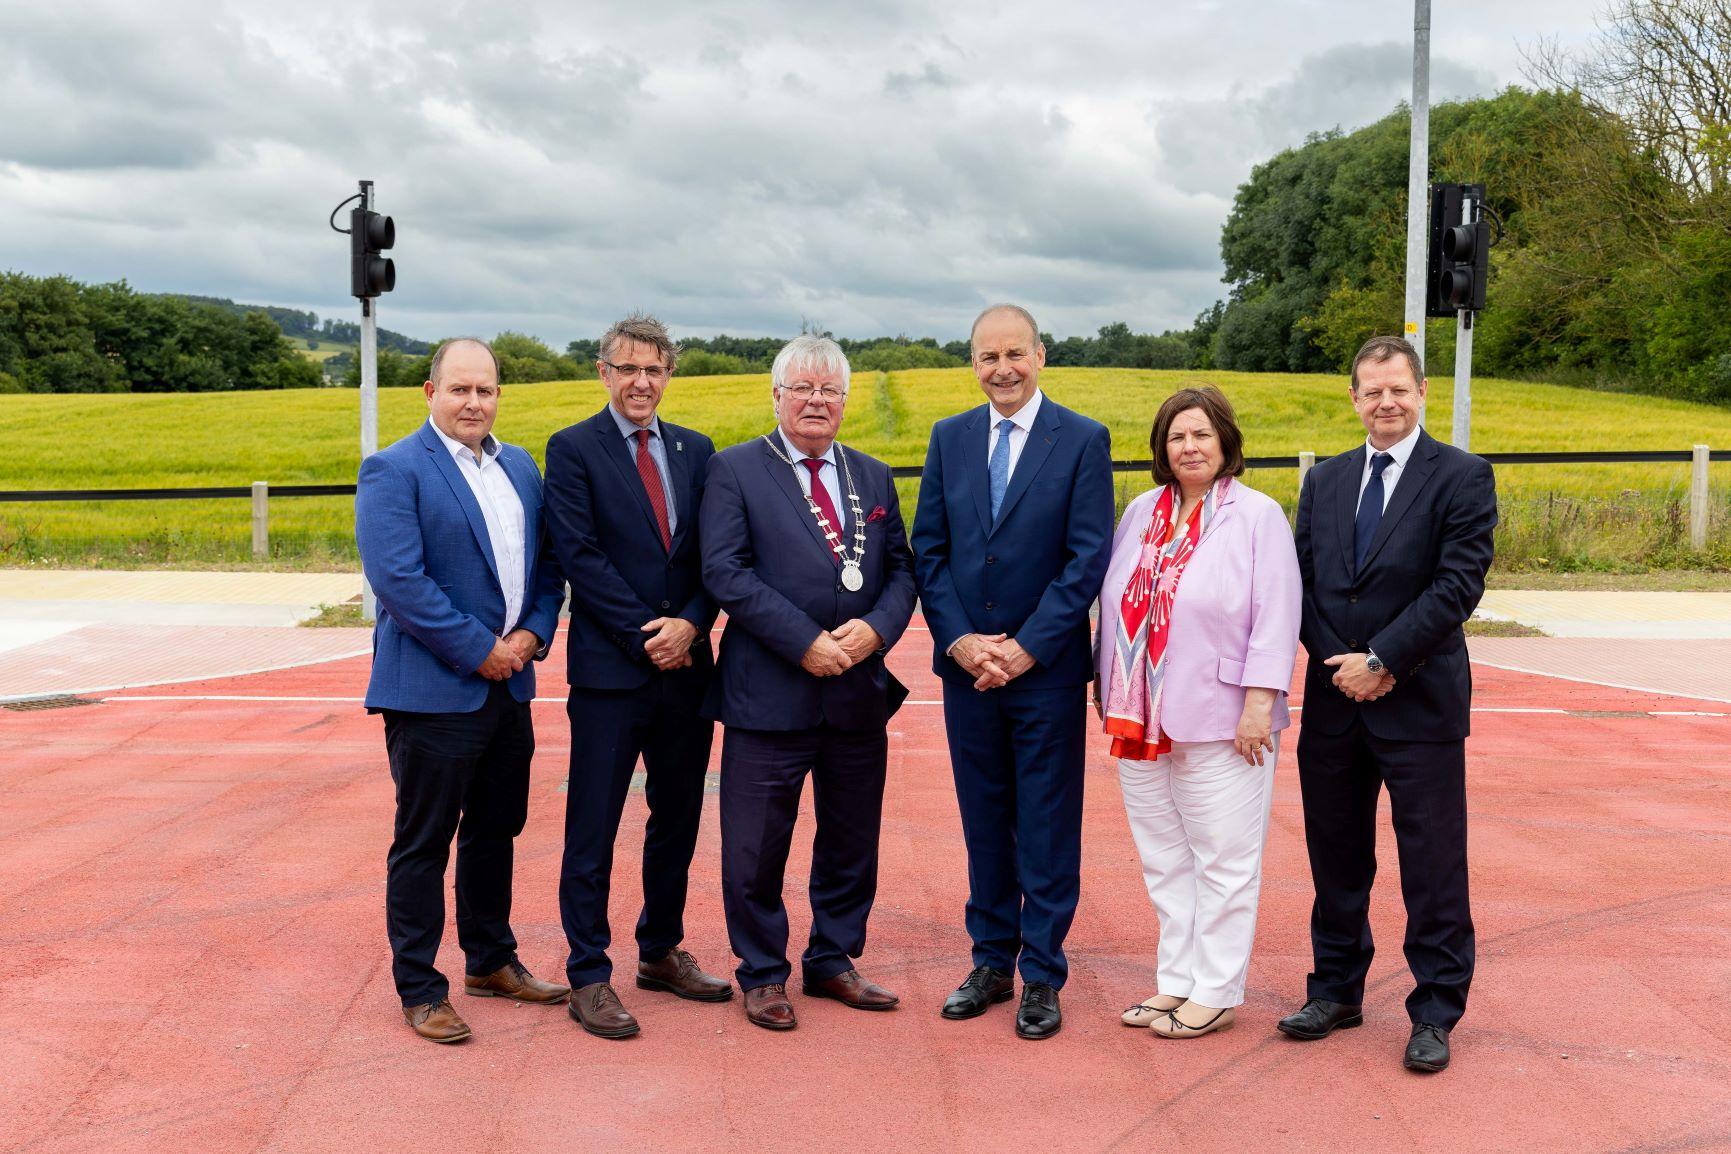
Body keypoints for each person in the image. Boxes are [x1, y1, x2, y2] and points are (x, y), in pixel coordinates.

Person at [1280, 335, 1496, 1073]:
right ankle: (1334, 989)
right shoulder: (1325, 480)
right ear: (1353, 398)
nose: (1385, 402)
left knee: (1432, 866)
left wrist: (1381, 661)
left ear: (1421, 391)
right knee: (1336, 858)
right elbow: (1300, 584)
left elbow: (1456, 587)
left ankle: (1434, 1009)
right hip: (1335, 700)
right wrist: (1339, 665)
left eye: (1398, 389)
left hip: (1419, 701)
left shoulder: (1462, 477)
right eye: (1371, 391)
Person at [355, 338, 570, 1044]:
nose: (473, 402)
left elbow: (546, 572)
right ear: (429, 392)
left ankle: (490, 960)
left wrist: (531, 637)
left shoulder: (521, 468)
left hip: (509, 688)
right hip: (433, 691)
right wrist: (480, 650)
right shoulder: (394, 470)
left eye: (485, 390)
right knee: (422, 843)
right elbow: (400, 582)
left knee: (495, 831)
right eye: (459, 390)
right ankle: (420, 987)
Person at [700, 334, 916, 1031]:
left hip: (856, 693)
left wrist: (876, 630)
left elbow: (903, 571)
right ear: (777, 396)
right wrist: (804, 642)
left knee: (851, 840)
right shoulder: (735, 470)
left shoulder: (873, 475)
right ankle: (762, 973)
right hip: (770, 694)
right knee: (754, 849)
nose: (817, 400)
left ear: (845, 401)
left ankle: (832, 959)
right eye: (803, 388)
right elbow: (725, 572)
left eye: (829, 390)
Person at [911, 303, 1113, 1040]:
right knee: (984, 822)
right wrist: (963, 642)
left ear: (1041, 355)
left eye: (1014, 354)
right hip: (967, 674)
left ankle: (1043, 975)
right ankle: (990, 963)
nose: (1001, 368)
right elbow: (927, 551)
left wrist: (1025, 647)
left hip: (1046, 671)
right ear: (972, 363)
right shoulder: (949, 437)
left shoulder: (1082, 440)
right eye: (987, 356)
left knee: (1047, 823)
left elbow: (1085, 557)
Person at [542, 314, 730, 1040]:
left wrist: (692, 622)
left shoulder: (696, 450)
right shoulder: (572, 449)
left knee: (677, 819)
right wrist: (649, 635)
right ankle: (588, 973)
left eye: (652, 370)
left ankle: (659, 950)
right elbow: (580, 557)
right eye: (626, 369)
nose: (639, 382)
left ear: (668, 375)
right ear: (603, 373)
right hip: (610, 675)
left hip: (686, 669)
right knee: (592, 825)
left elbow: (717, 554)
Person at [1095, 387, 1300, 1039]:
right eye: (1177, 436)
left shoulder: (1256, 515)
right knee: (1164, 857)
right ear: (1161, 447)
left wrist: (1258, 702)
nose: (1188, 446)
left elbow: (1277, 610)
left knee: (1223, 857)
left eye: (1201, 435)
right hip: (1139, 717)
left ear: (1226, 444)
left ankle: (1214, 989)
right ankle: (1176, 981)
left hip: (1224, 718)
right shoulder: (1138, 512)